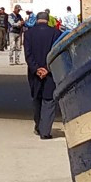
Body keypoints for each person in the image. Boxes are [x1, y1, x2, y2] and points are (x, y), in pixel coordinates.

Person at [23, 11, 59, 139]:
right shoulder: (56, 33)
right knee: (48, 100)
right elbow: (56, 53)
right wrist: (47, 69)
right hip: (50, 72)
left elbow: (28, 54)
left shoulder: (28, 34)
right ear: (48, 19)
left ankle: (38, 126)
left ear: (36, 20)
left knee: (37, 98)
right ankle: (45, 131)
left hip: (34, 73)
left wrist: (36, 69)